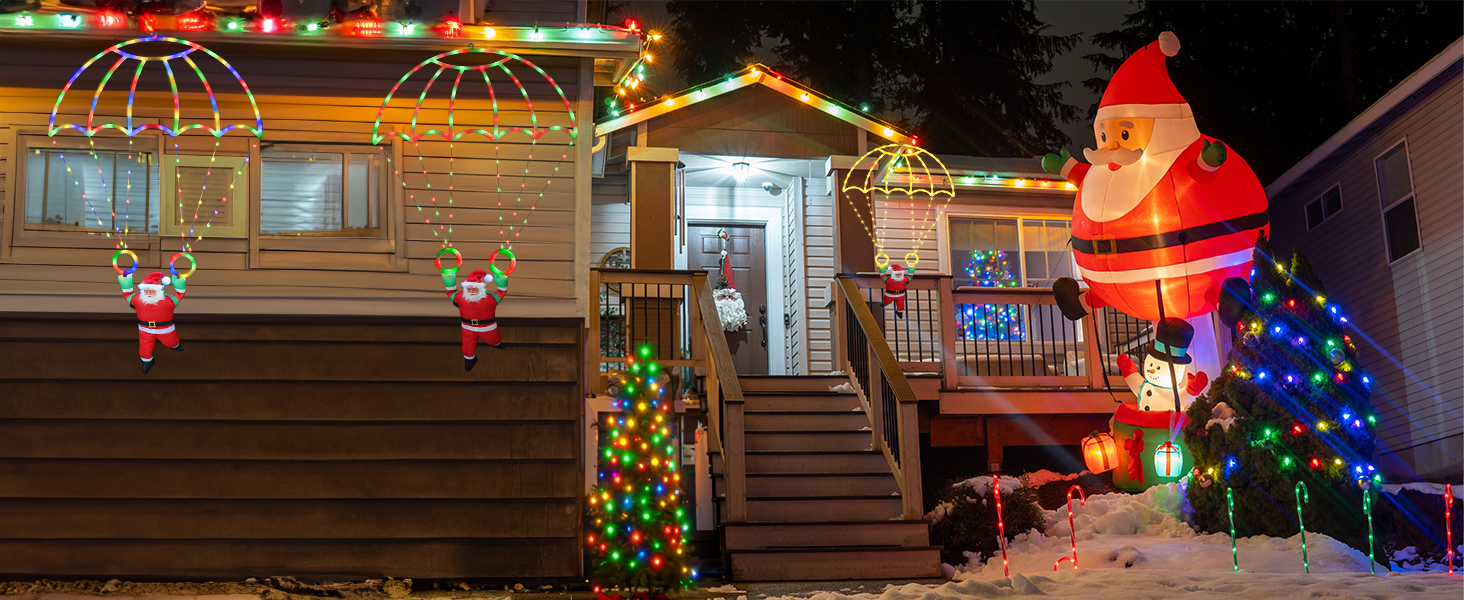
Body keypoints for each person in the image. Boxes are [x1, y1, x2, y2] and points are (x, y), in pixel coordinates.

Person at [120, 271, 185, 374]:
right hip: (145, 331)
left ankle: (175, 345)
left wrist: (179, 280)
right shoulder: (137, 300)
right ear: (142, 291)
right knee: (144, 351)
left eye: (152, 291)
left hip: (166, 330)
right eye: (146, 291)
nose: (149, 293)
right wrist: (125, 278)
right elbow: (127, 294)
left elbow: (180, 293)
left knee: (172, 342)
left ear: (158, 292)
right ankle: (147, 362)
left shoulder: (168, 301)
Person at [445, 268, 507, 371]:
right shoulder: (460, 297)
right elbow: (451, 292)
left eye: (474, 289)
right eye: (469, 289)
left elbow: (501, 291)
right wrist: (449, 279)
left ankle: (496, 343)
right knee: (467, 349)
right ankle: (470, 360)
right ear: (465, 289)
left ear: (481, 289)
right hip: (467, 329)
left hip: (488, 328)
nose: (471, 292)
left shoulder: (490, 299)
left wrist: (501, 280)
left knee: (494, 340)